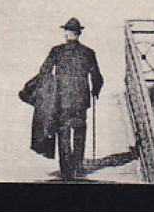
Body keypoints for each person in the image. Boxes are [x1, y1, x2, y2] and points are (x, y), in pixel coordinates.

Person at [20, 18, 104, 179]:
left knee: (63, 132)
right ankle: (78, 165)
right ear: (78, 33)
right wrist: (95, 90)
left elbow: (44, 70)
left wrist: (48, 86)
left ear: (67, 33)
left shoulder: (57, 51)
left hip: (62, 99)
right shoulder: (88, 53)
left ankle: (66, 169)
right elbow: (97, 76)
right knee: (80, 130)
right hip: (81, 100)